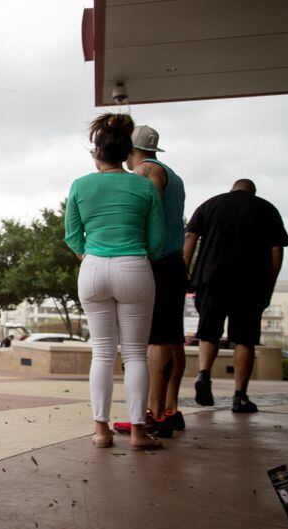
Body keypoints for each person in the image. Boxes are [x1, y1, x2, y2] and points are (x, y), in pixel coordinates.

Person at [64, 113, 165, 450]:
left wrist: (89, 255)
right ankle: (138, 432)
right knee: (136, 354)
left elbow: (72, 236)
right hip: (134, 266)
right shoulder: (144, 185)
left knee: (102, 354)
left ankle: (101, 431)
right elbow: (158, 241)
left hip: (92, 270)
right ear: (126, 153)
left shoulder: (80, 185)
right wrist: (135, 255)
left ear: (97, 153)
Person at [184, 179, 288, 413]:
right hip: (250, 282)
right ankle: (240, 396)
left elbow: (190, 237)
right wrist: (269, 282)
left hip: (211, 278)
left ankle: (203, 374)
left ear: (232, 189)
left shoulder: (210, 205)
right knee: (245, 339)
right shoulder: (266, 209)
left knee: (208, 332)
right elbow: (276, 250)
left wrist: (185, 270)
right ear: (253, 192)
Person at [113, 125, 186, 437]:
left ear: (130, 149)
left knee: (154, 338)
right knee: (171, 337)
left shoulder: (145, 171)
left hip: (158, 261)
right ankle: (169, 409)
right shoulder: (175, 174)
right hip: (175, 261)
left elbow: (150, 211)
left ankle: (152, 413)